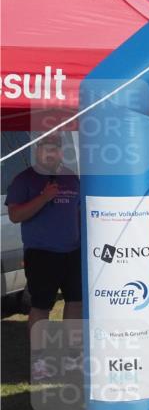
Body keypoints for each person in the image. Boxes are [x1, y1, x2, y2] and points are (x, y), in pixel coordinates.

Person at [5, 134, 82, 331]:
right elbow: (15, 215)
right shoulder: (24, 179)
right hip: (42, 254)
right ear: (37, 151)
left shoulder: (71, 177)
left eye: (54, 149)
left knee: (76, 301)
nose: (50, 153)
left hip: (73, 252)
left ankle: (69, 346)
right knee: (41, 306)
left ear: (61, 153)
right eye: (45, 149)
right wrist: (44, 198)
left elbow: (78, 212)